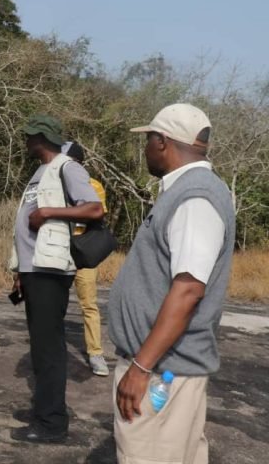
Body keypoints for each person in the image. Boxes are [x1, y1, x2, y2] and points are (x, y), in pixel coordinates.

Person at [109, 103, 235, 464]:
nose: (145, 148)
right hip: (164, 367)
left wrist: (140, 368)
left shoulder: (195, 197)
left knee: (149, 455)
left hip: (163, 371)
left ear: (162, 141)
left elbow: (189, 290)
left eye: (148, 139)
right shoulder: (188, 191)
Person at [7, 115, 104, 443]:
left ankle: (52, 424)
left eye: (29, 136)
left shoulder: (68, 167)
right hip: (35, 270)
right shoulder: (40, 171)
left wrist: (48, 212)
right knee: (40, 346)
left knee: (49, 349)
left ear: (41, 138)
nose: (26, 141)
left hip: (51, 271)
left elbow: (94, 209)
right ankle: (44, 410)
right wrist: (21, 269)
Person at [61, 141, 110, 377]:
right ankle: (53, 348)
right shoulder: (52, 183)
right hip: (58, 252)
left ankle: (95, 353)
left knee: (89, 305)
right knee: (55, 303)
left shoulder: (94, 186)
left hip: (82, 254)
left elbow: (95, 215)